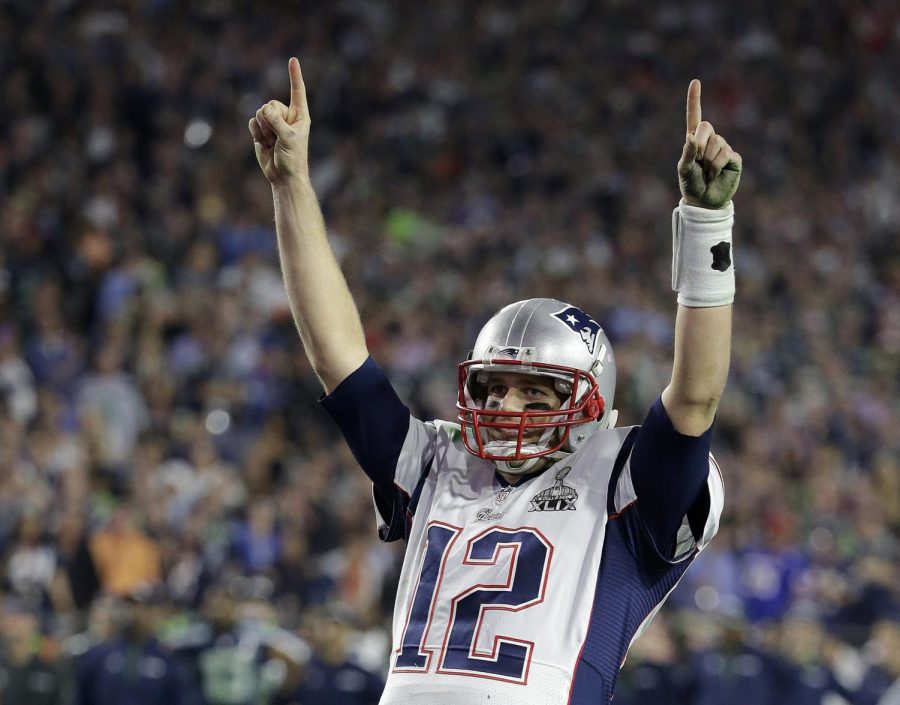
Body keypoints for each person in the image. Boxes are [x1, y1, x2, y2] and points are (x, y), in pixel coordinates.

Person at [249, 58, 741, 704]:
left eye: (535, 392)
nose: (507, 404)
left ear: (590, 401)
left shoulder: (621, 475)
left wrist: (705, 222)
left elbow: (696, 394)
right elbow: (338, 356)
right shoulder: (437, 459)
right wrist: (291, 185)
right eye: (494, 388)